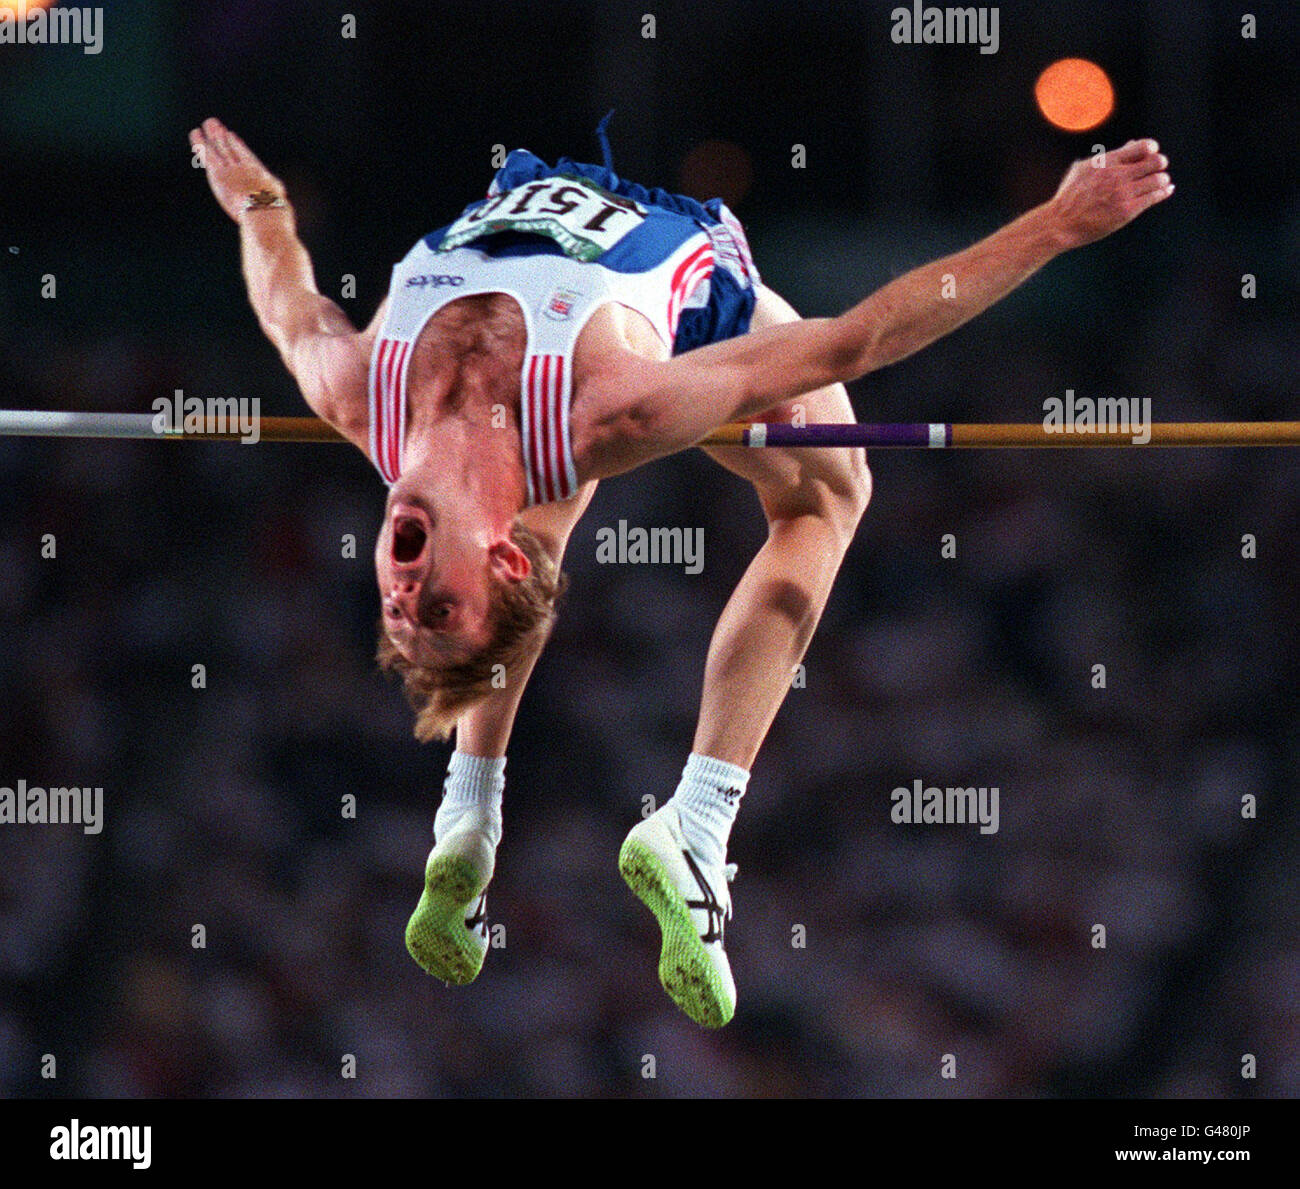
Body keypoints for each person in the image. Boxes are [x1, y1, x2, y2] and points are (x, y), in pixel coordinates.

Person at [190, 116, 1173, 1027]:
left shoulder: (358, 392)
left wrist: (260, 204)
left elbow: (289, 301)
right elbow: (854, 339)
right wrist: (1054, 225)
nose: (404, 595)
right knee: (824, 496)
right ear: (487, 562)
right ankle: (695, 825)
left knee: (542, 497)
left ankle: (470, 812)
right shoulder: (609, 411)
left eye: (398, 607)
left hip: (552, 296)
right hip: (684, 299)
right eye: (436, 605)